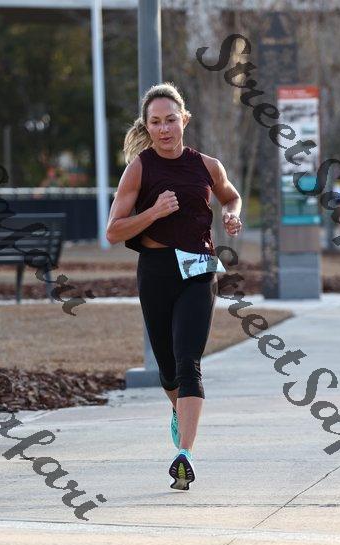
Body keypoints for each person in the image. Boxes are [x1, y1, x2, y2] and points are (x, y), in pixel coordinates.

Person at [106, 81, 242, 491]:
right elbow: (113, 231)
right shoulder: (140, 168)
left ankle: (185, 454)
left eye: (170, 120)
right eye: (155, 122)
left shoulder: (208, 165)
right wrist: (153, 212)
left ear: (184, 119)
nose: (164, 129)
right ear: (147, 126)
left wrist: (232, 215)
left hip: (199, 269)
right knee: (168, 369)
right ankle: (178, 412)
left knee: (188, 361)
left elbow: (230, 196)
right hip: (156, 269)